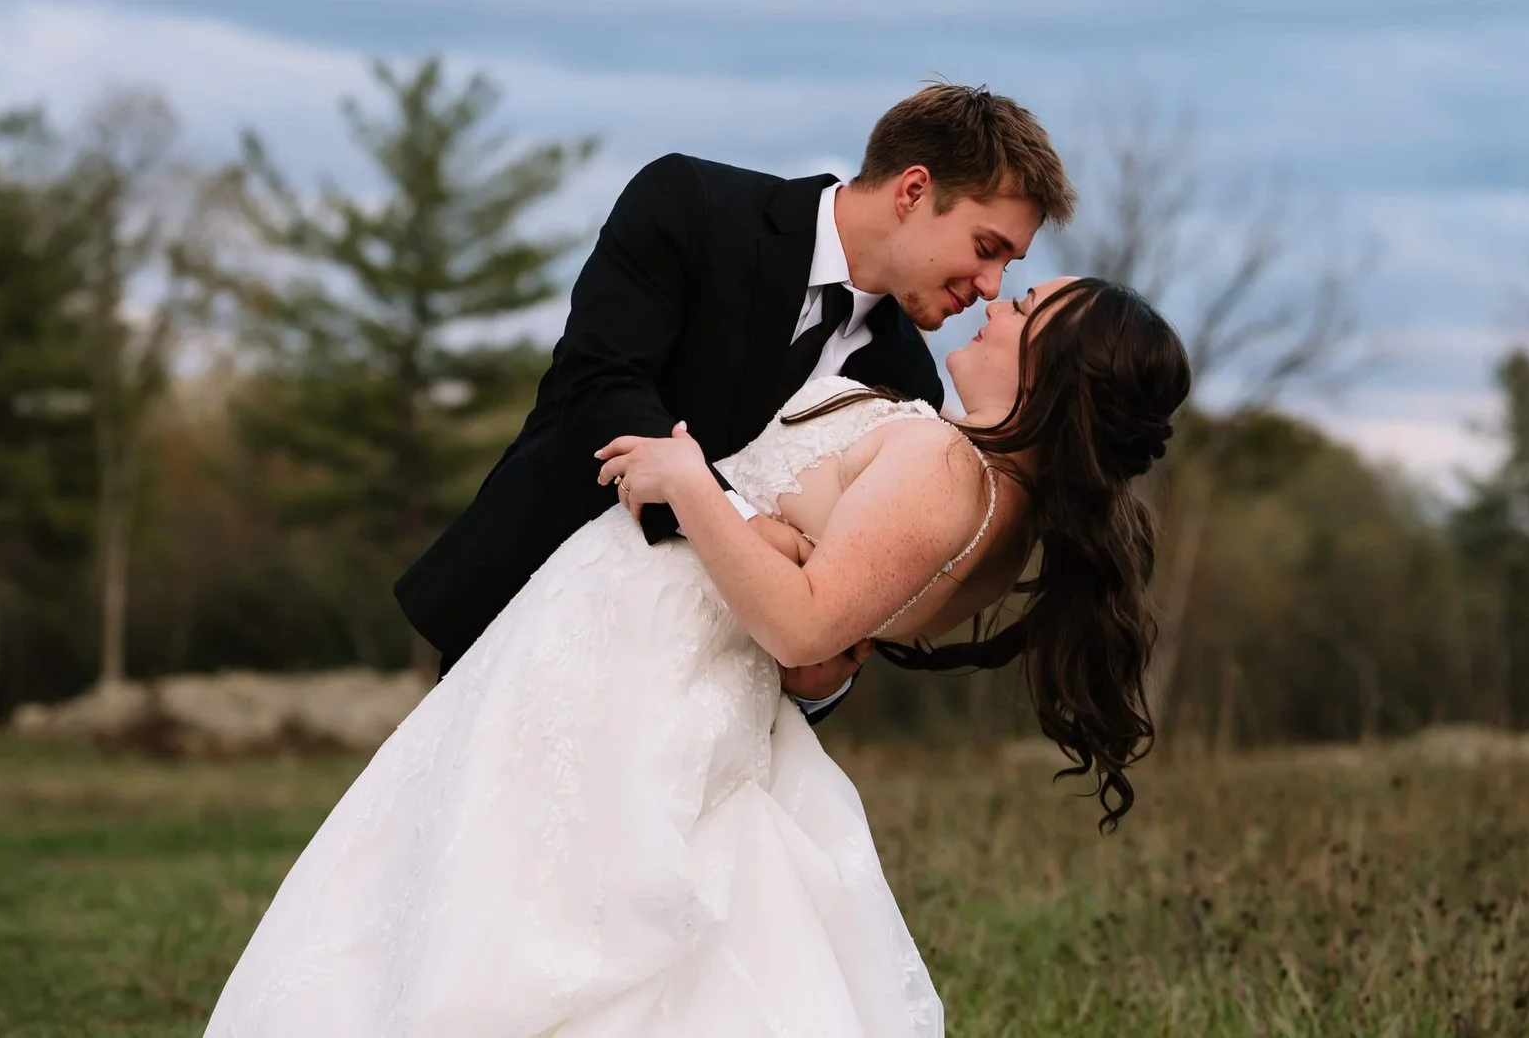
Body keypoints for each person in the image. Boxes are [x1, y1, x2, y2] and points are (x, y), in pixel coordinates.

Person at [203, 273, 1191, 1037]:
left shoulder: (950, 472)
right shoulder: (989, 500)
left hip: (648, 658)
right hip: (625, 640)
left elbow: (807, 628)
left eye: (1028, 306)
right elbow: (830, 592)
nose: (1001, 302)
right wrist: (770, 535)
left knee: (527, 909)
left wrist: (692, 485)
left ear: (1058, 364)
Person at [394, 82, 1074, 714]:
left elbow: (837, 590)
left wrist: (826, 679)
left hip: (700, 698)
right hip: (529, 611)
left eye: (1007, 266)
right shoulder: (691, 207)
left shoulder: (910, 385)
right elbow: (599, 385)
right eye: (987, 248)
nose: (990, 286)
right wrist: (750, 523)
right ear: (914, 190)